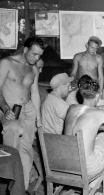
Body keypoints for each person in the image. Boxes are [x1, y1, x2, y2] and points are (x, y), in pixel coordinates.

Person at [0, 36, 44, 189]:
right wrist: (5, 109)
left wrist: (38, 117)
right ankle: (6, 187)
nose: (37, 58)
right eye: (34, 54)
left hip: (28, 109)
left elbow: (35, 93)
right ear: (25, 50)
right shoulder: (7, 63)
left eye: (40, 55)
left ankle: (21, 188)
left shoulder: (33, 68)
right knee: (12, 148)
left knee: (26, 151)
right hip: (9, 108)